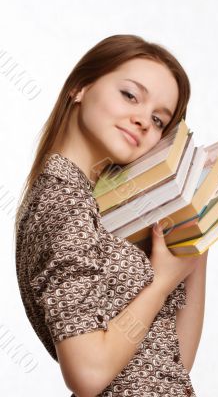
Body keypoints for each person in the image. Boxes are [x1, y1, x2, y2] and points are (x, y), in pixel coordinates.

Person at [14, 34, 208, 397]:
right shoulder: (64, 200)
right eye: (130, 95)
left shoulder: (100, 208)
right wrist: (162, 282)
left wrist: (197, 235)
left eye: (159, 119)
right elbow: (87, 374)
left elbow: (170, 365)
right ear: (80, 88)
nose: (143, 121)